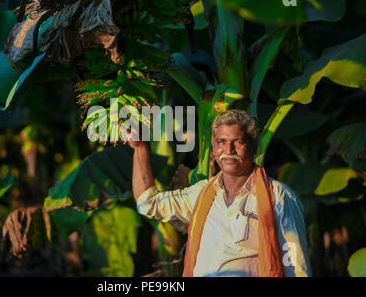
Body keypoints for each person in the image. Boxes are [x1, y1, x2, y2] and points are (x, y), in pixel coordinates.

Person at [128, 109, 312, 277]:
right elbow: (148, 203)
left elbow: (296, 267)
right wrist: (140, 148)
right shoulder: (202, 194)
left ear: (254, 147)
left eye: (238, 142)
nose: (228, 150)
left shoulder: (279, 197)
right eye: (221, 142)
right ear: (214, 149)